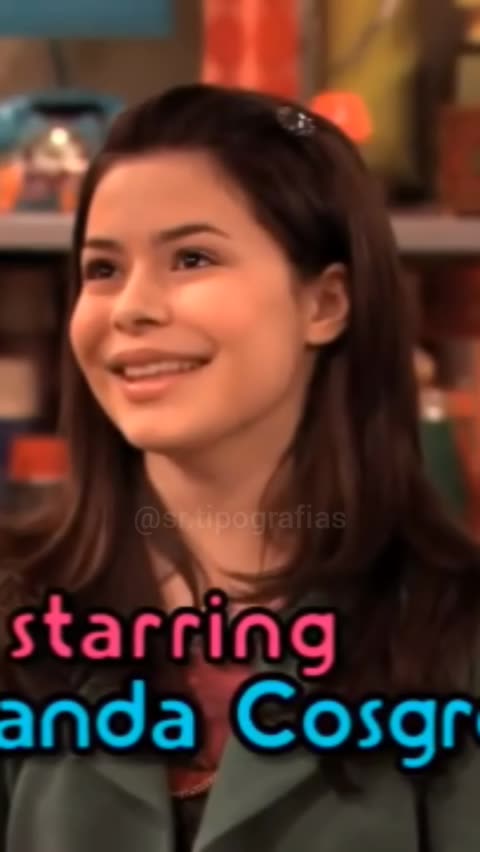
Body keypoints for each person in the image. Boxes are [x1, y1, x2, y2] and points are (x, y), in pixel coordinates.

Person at [1, 83, 480, 852]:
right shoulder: (18, 615)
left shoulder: (451, 633)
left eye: (191, 258)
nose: (130, 307)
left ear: (326, 303)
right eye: (103, 269)